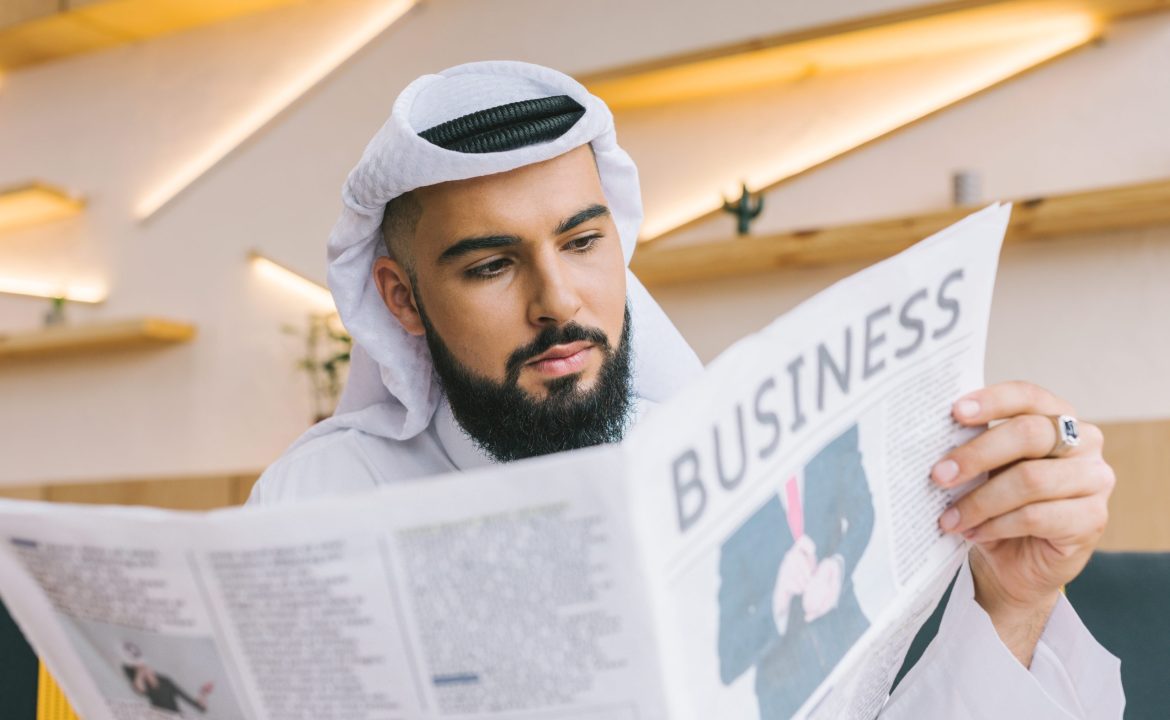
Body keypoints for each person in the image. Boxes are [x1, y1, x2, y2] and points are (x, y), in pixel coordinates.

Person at [250, 61, 1122, 717]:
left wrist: (1015, 603)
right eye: (490, 264)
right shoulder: (317, 497)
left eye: (583, 243)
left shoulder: (729, 481)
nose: (558, 301)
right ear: (403, 299)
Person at [718, 424, 875, 719]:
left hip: (856, 651)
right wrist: (778, 598)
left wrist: (837, 566)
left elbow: (863, 512)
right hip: (788, 700)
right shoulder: (732, 504)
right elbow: (729, 658)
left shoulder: (830, 436)